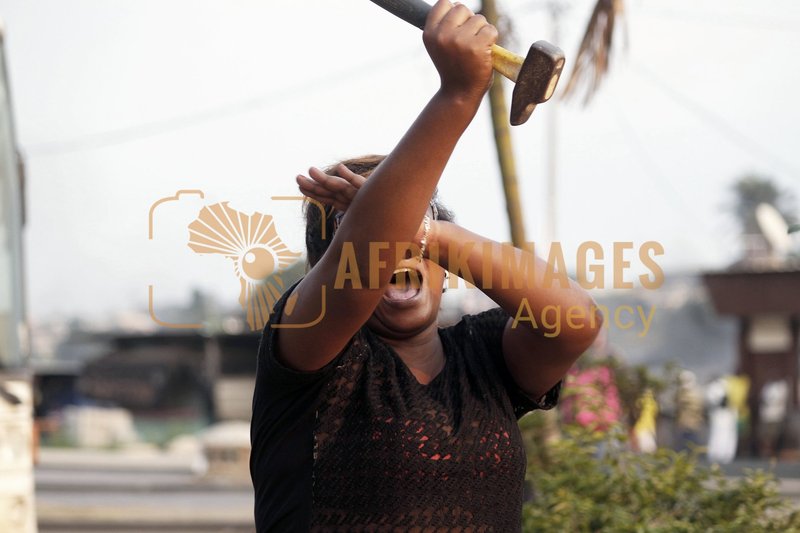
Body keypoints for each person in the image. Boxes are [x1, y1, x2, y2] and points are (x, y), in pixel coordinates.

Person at [249, 2, 601, 530]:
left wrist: (422, 228)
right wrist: (459, 95)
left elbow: (576, 321)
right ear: (324, 270)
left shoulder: (487, 360)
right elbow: (366, 253)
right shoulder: (310, 350)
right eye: (372, 238)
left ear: (442, 262)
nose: (395, 254)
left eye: (415, 239)